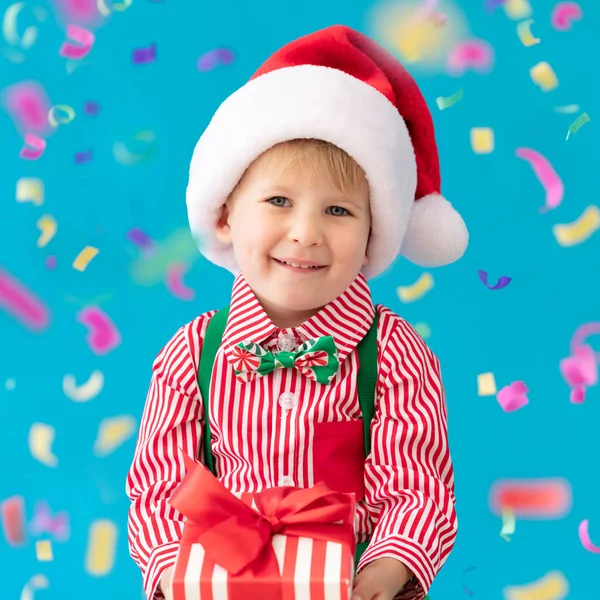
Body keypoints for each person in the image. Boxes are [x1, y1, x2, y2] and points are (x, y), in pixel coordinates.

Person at [126, 24, 468, 600]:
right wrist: (176, 572)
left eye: (337, 210)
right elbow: (160, 485)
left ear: (371, 236)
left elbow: (417, 486)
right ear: (227, 214)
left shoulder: (395, 356)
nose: (306, 234)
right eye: (279, 201)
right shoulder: (191, 354)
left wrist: (383, 572)